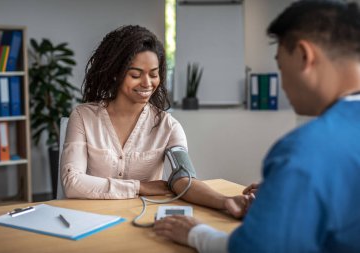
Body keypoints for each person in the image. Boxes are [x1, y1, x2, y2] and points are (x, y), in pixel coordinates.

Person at [153, 1, 360, 252]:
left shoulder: (305, 150)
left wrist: (196, 233)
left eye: (281, 68)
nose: (283, 85)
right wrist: (285, 189)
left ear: (305, 56)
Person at [60, 25, 253, 215]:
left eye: (153, 74)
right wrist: (139, 186)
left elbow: (184, 180)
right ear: (114, 74)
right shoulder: (82, 117)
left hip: (141, 218)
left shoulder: (168, 126)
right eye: (135, 75)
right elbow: (73, 183)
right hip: (89, 218)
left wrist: (226, 202)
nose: (147, 83)